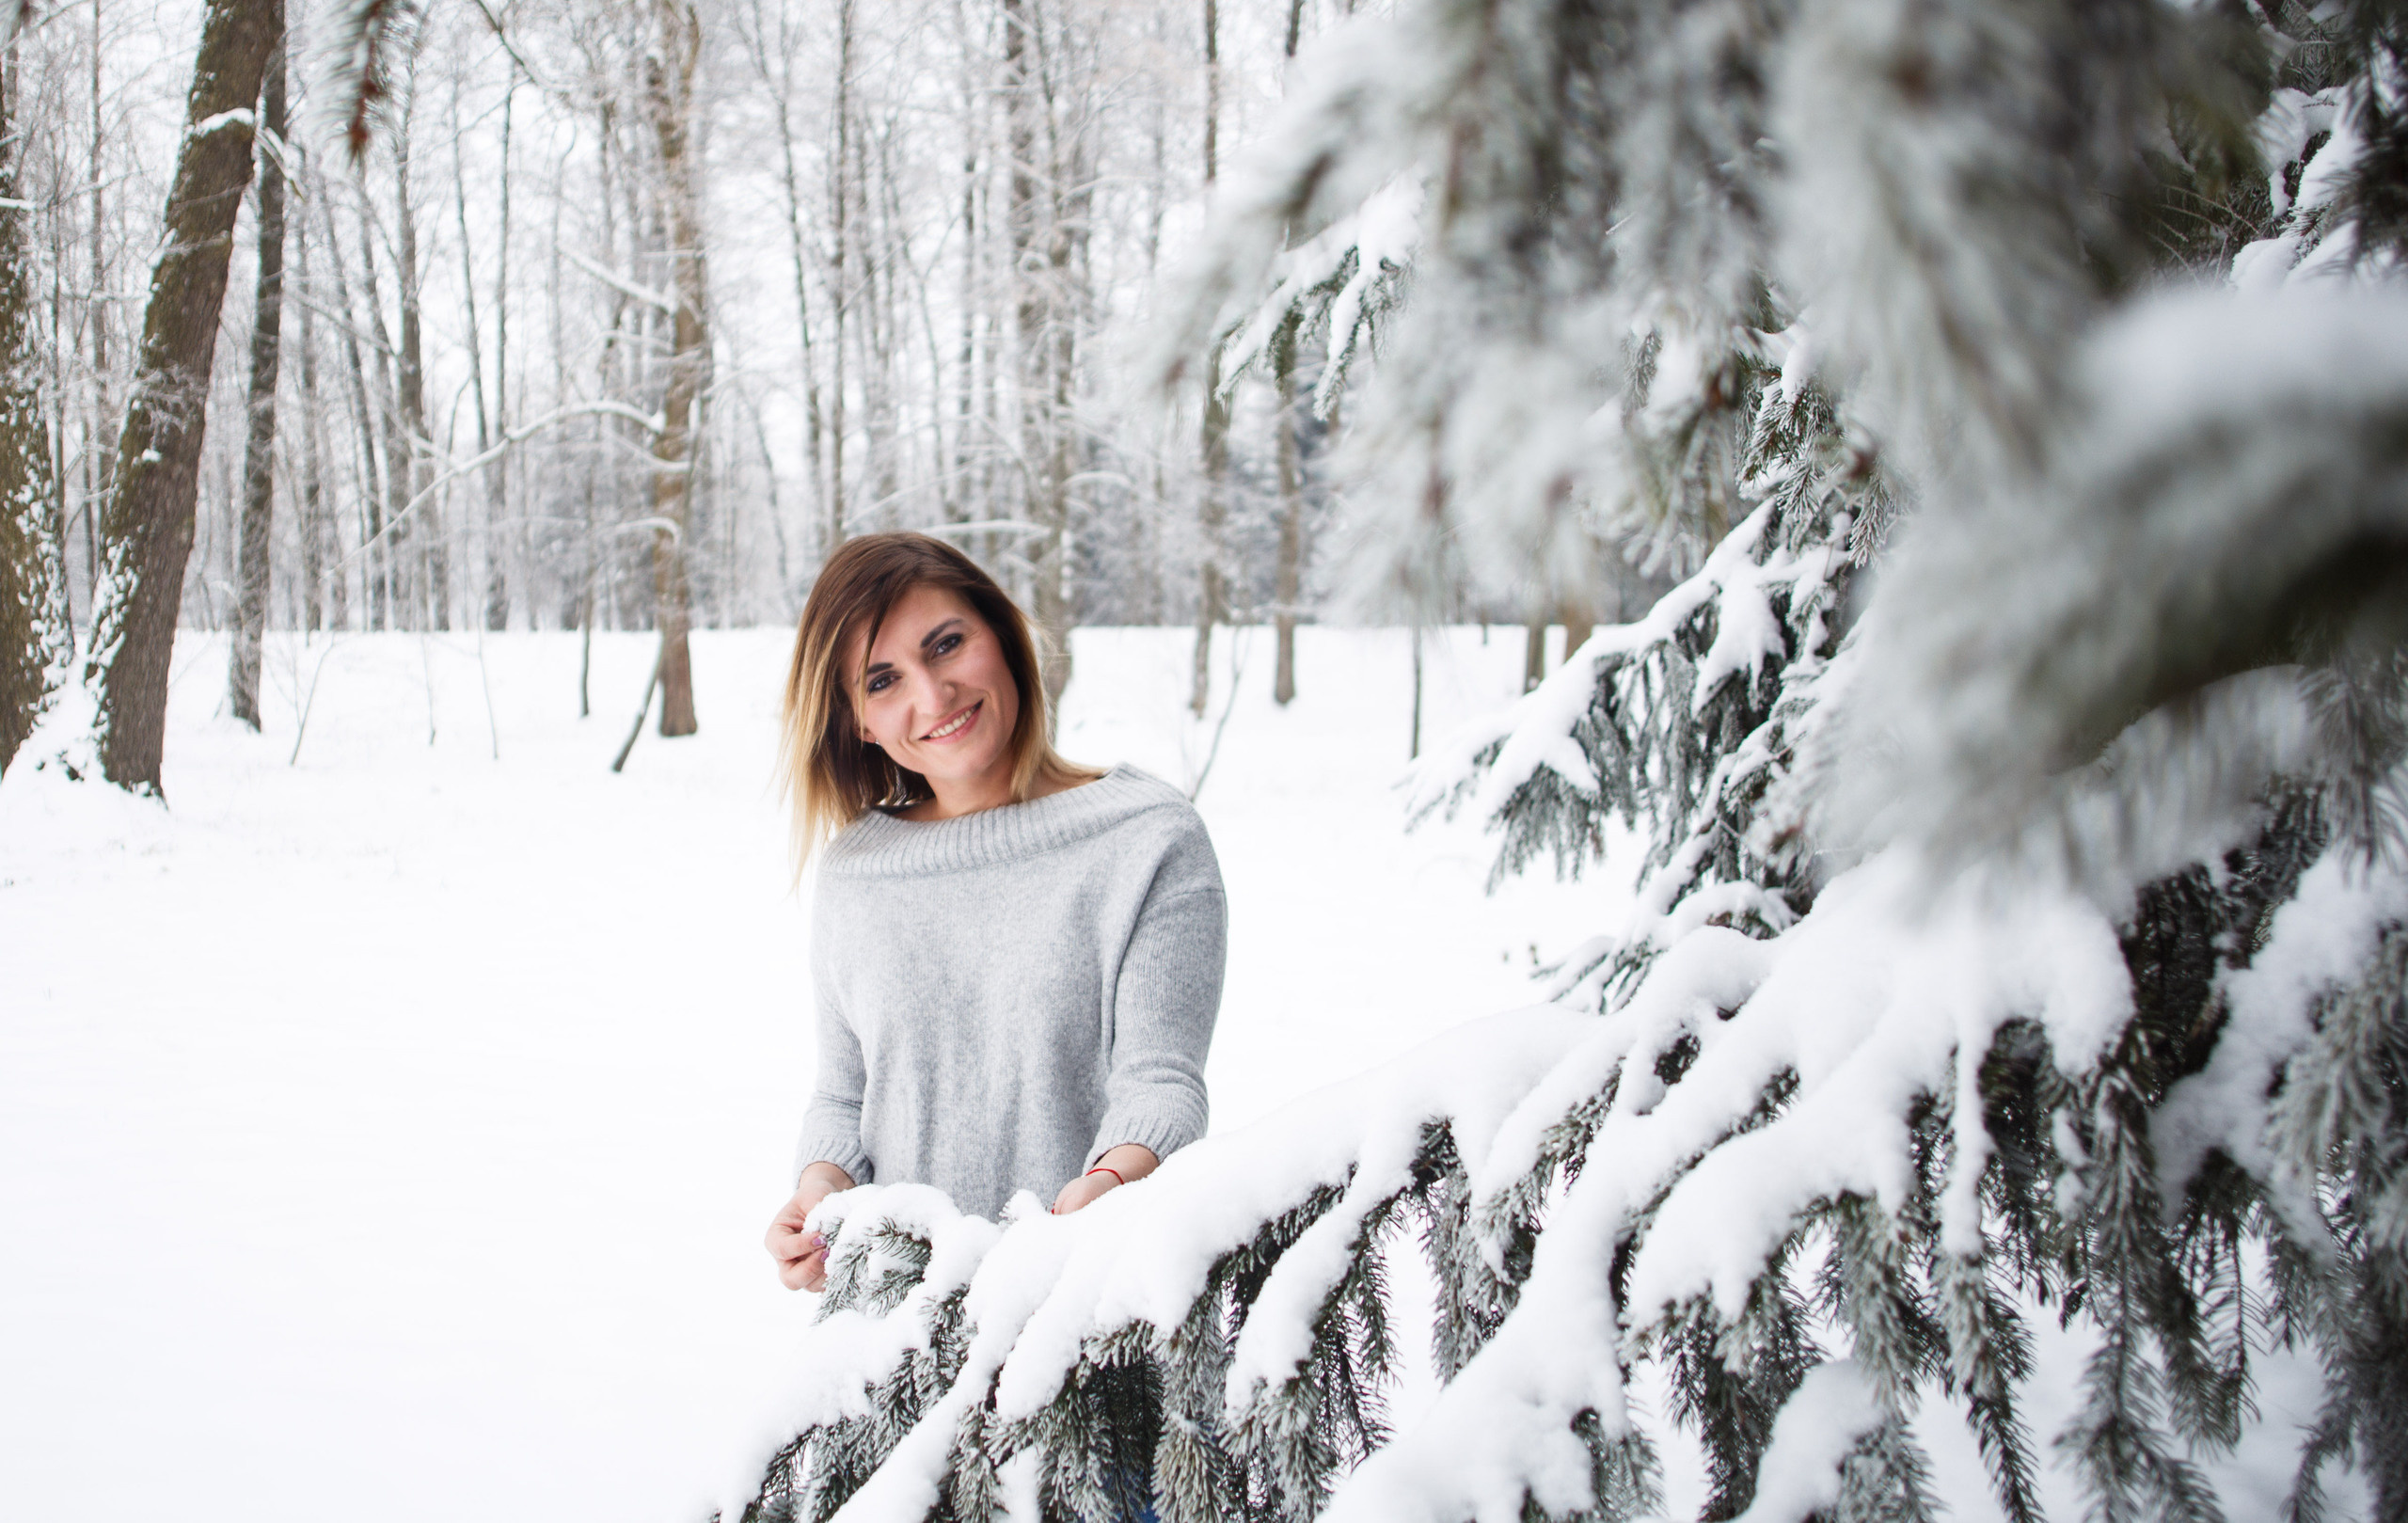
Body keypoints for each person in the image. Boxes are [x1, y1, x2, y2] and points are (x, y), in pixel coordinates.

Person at [764, 531, 1227, 1295]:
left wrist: (1107, 1184)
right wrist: (819, 1190)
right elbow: (846, 1094)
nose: (933, 695)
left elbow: (1160, 1082)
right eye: (883, 680)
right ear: (858, 722)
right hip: (890, 1338)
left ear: (1002, 635)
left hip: (1081, 1319)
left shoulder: (1148, 838)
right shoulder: (856, 872)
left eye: (947, 644)